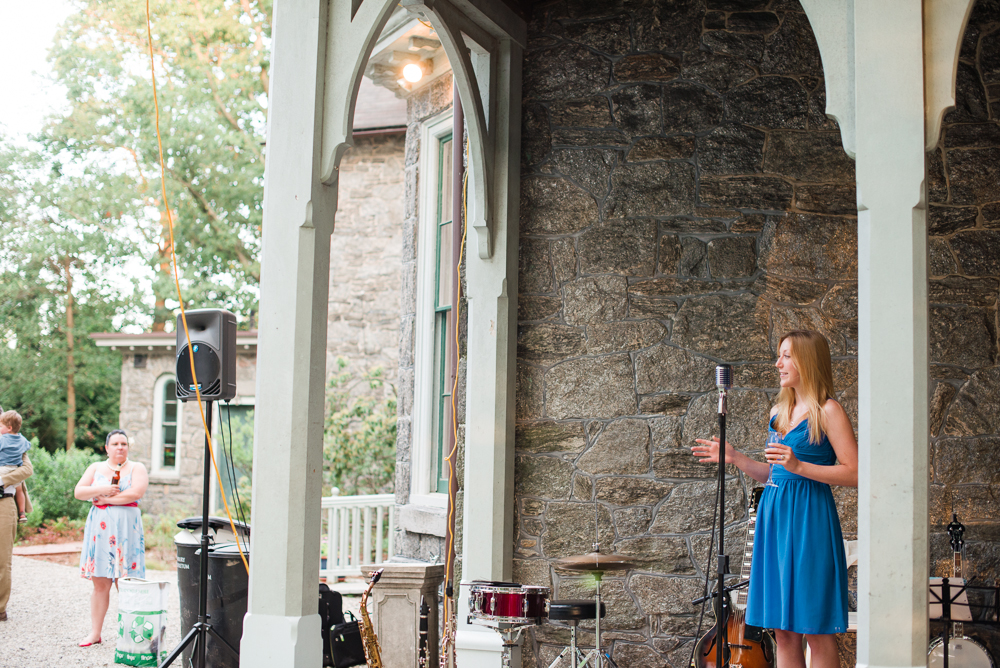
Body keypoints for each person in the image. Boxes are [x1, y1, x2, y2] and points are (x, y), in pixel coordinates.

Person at [692, 330, 858, 668]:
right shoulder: (778, 412)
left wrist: (800, 465)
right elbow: (774, 475)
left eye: (786, 355)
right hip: (776, 519)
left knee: (816, 628)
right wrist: (736, 457)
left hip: (810, 520)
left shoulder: (829, 411)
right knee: (782, 631)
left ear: (807, 362)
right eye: (779, 355)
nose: (777, 362)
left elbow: (855, 473)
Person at [74, 429, 149, 647]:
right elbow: (79, 491)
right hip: (101, 532)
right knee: (100, 583)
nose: (120, 447)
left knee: (128, 584)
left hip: (128, 533)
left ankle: (132, 635)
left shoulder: (137, 468)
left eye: (123, 444)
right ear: (107, 447)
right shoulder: (96, 468)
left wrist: (105, 500)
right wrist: (103, 489)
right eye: (115, 444)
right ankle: (95, 633)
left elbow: (135, 493)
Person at [0, 410, 32, 623]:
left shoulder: (14, 443)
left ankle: (0, 608)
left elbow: (27, 469)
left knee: (3, 559)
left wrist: (3, 480)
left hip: (4, 502)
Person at [0, 410, 33, 523]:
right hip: (13, 469)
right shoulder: (21, 440)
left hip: (5, 498)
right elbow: (28, 445)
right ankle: (22, 513)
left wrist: (2, 480)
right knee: (19, 490)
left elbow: (28, 469)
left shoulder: (3, 439)